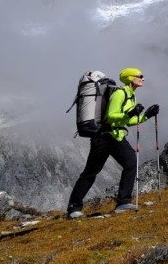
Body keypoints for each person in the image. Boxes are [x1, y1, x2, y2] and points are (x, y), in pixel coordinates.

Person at [67, 67, 160, 218]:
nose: (143, 78)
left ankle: (123, 202)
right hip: (104, 137)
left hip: (116, 136)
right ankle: (73, 208)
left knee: (130, 163)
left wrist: (146, 116)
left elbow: (128, 122)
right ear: (130, 78)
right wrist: (129, 112)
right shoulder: (120, 93)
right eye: (140, 76)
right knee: (91, 172)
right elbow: (111, 116)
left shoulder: (131, 96)